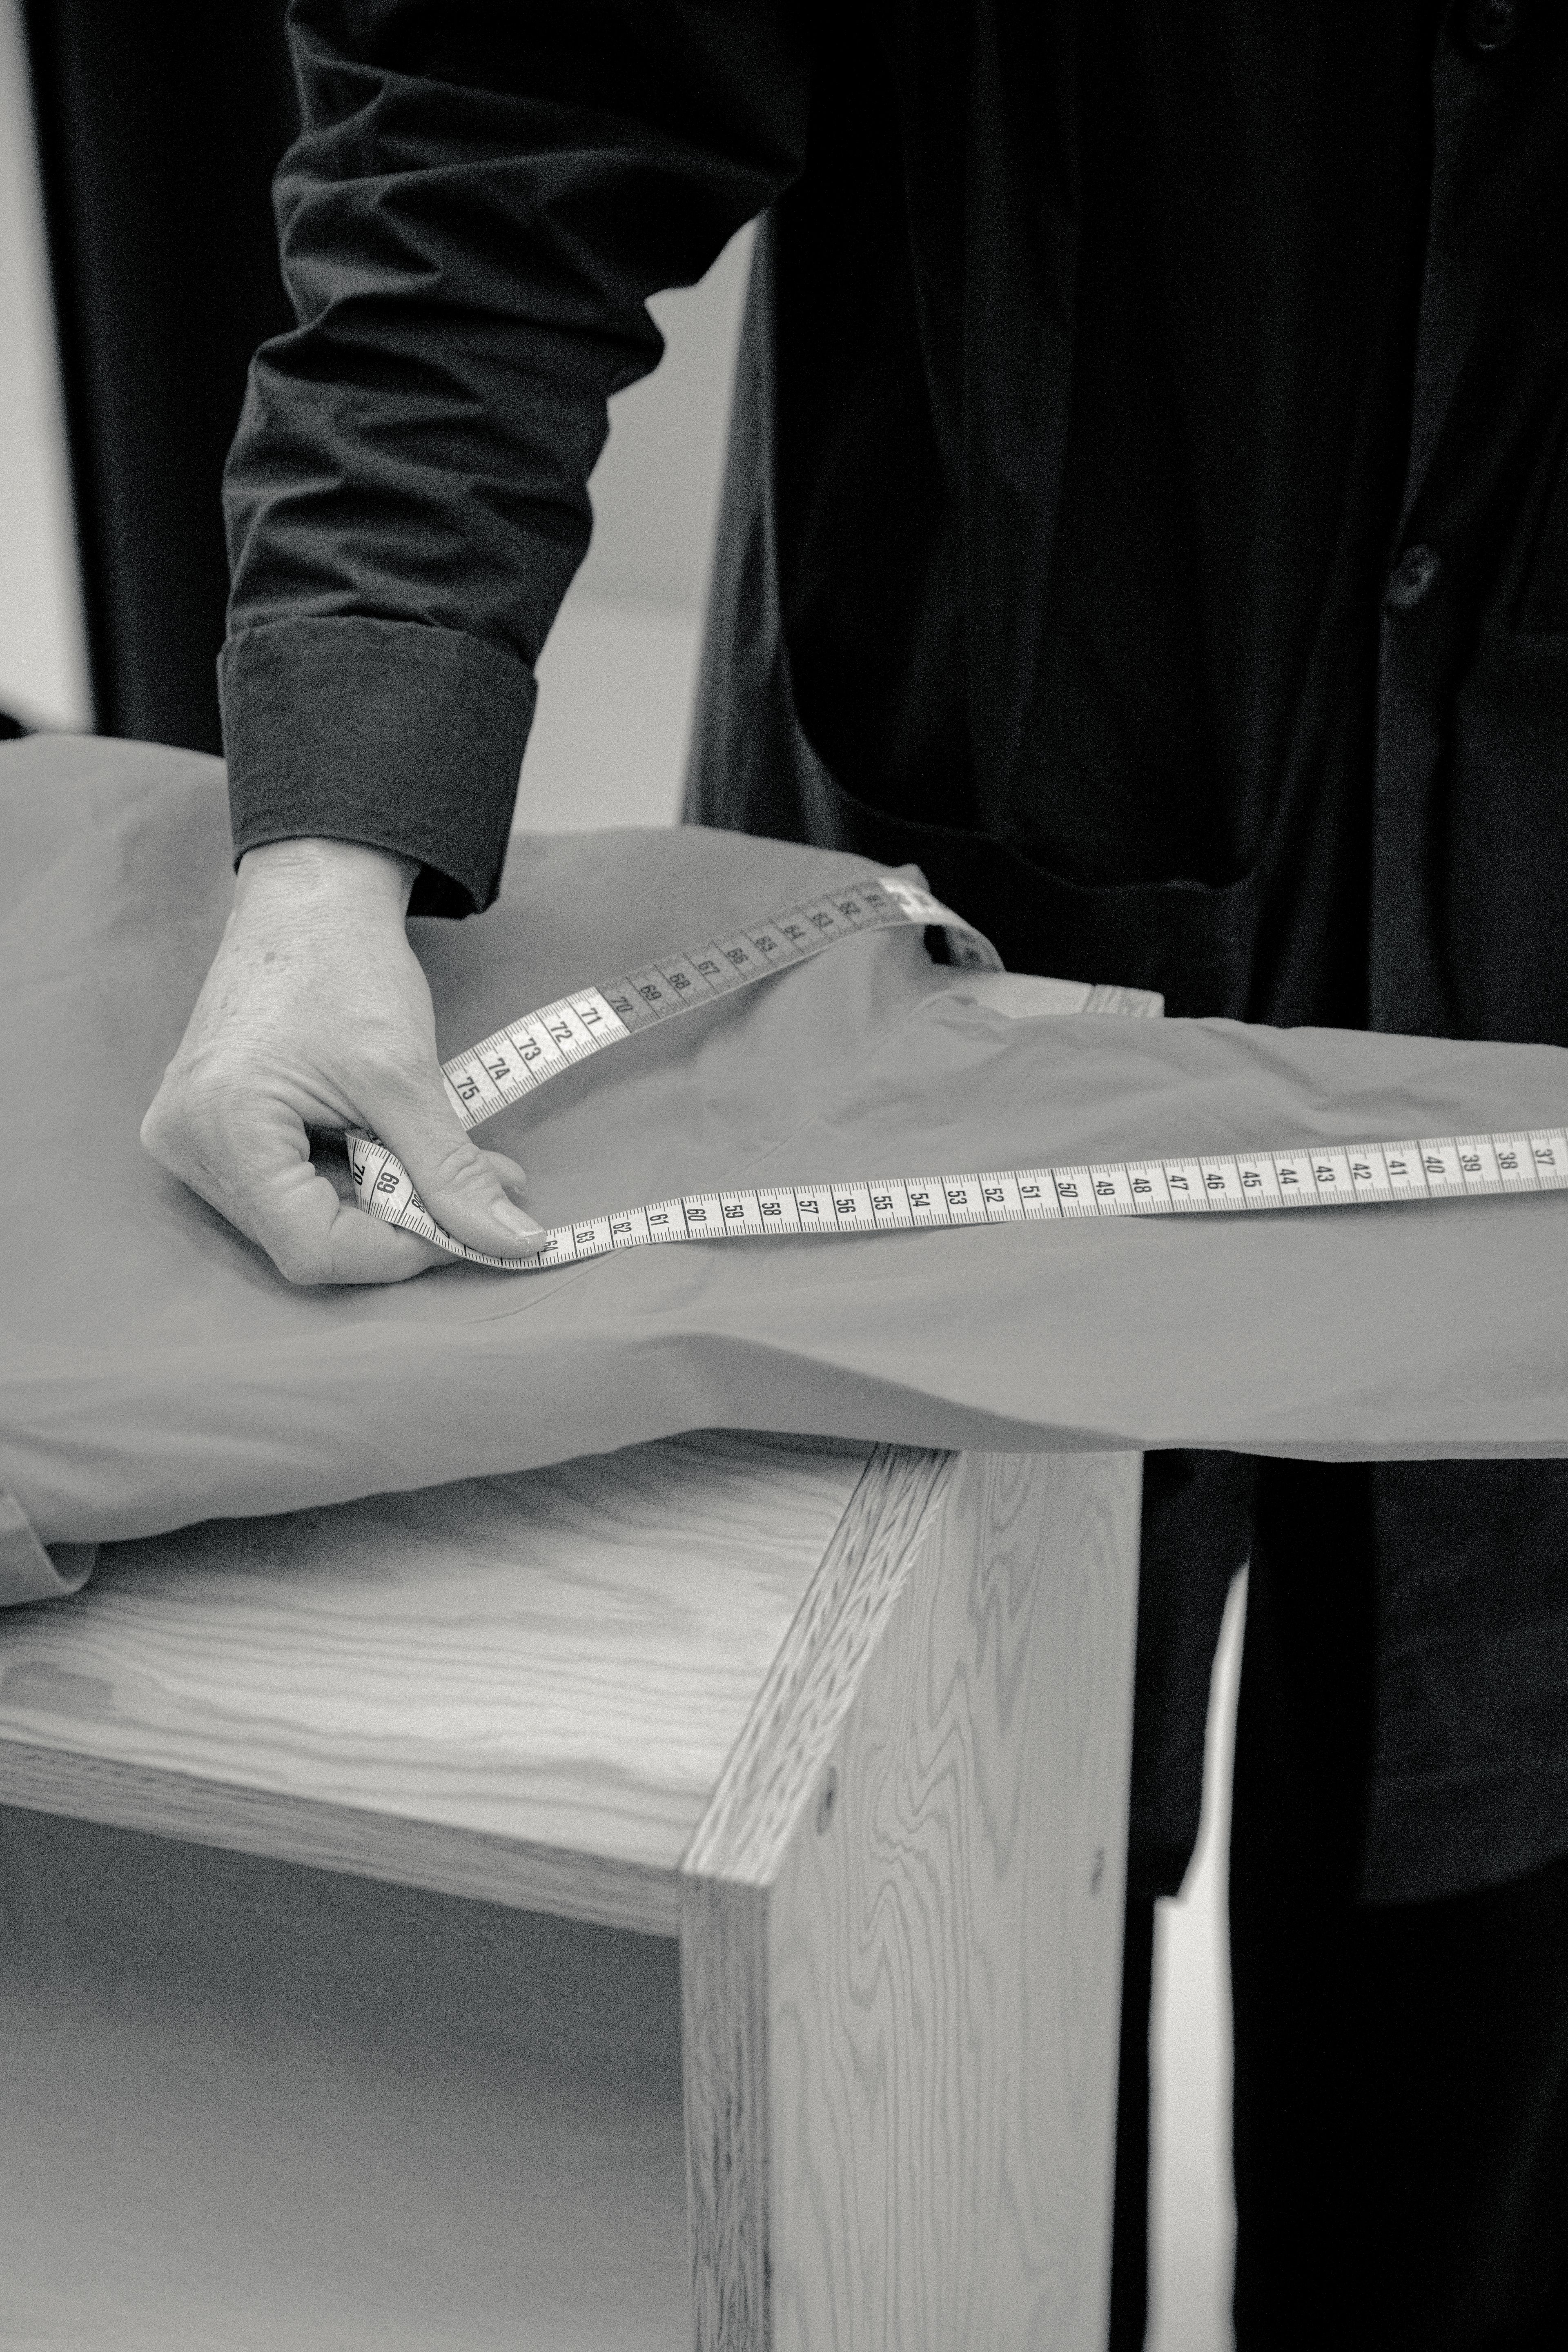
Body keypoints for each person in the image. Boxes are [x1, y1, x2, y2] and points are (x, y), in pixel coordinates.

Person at [142, 5, 1568, 2341]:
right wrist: (326, 840)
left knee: (1490, 1982)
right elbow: (498, 102)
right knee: (928, 1946)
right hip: (989, 844)